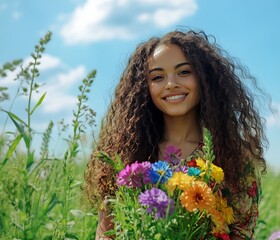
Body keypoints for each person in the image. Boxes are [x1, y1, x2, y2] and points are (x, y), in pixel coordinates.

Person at [83, 29, 269, 240]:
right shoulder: (126, 156)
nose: (171, 84)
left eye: (184, 72)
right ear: (145, 87)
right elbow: (106, 234)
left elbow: (241, 233)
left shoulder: (234, 157)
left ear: (204, 79)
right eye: (158, 77)